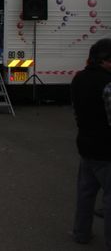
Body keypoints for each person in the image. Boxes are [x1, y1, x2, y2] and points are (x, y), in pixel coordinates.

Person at [70, 38, 111, 248]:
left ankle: (81, 232)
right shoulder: (107, 84)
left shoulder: (78, 79)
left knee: (86, 194)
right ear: (106, 60)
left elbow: (76, 110)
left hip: (85, 144)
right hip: (106, 149)